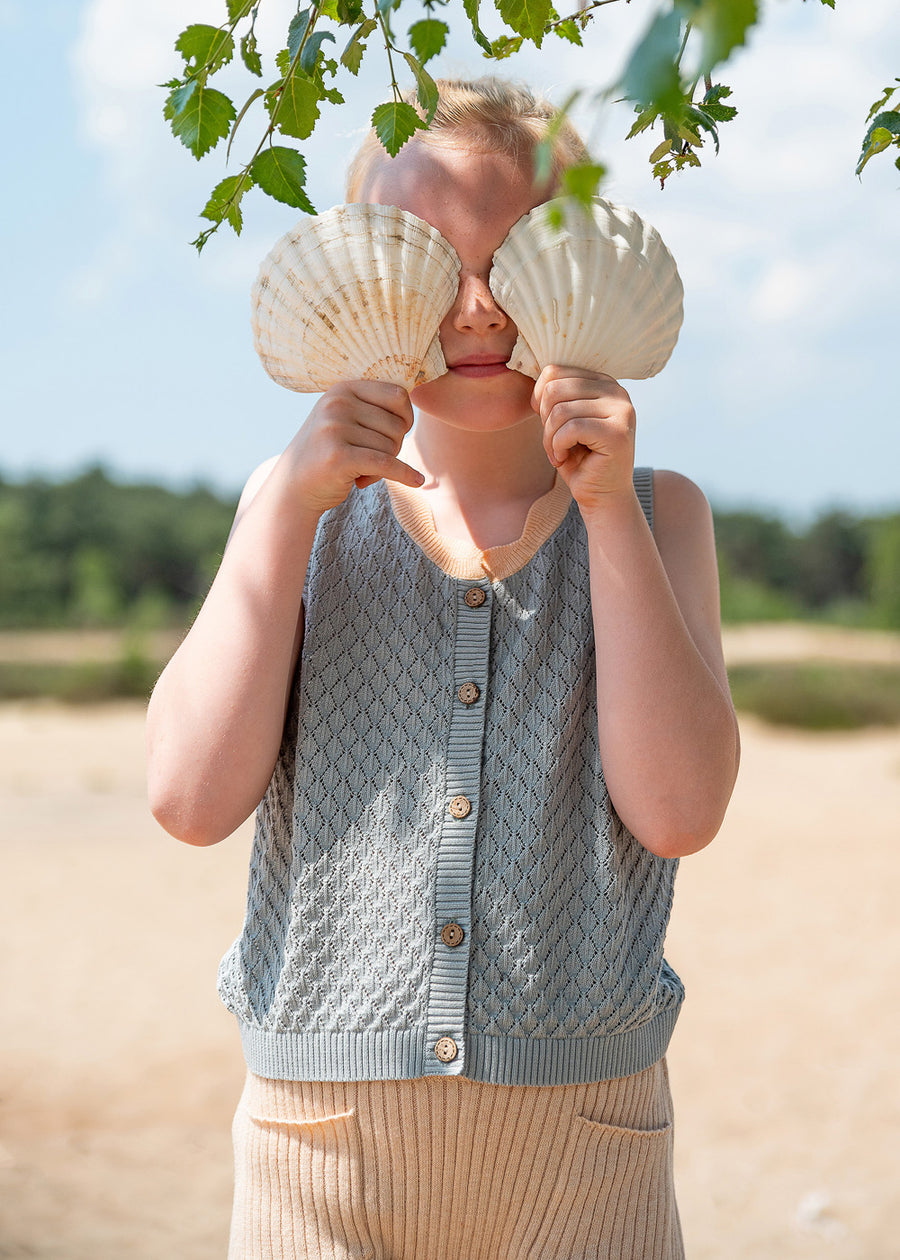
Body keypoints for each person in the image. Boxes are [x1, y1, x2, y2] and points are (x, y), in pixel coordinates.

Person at [147, 76, 739, 1260]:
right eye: (429, 262)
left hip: (586, 1160)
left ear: (581, 272)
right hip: (315, 1159)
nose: (477, 308)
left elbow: (675, 812)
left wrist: (607, 510)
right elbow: (189, 798)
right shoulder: (293, 509)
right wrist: (283, 518)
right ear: (368, 277)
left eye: (516, 262)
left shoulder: (660, 512)